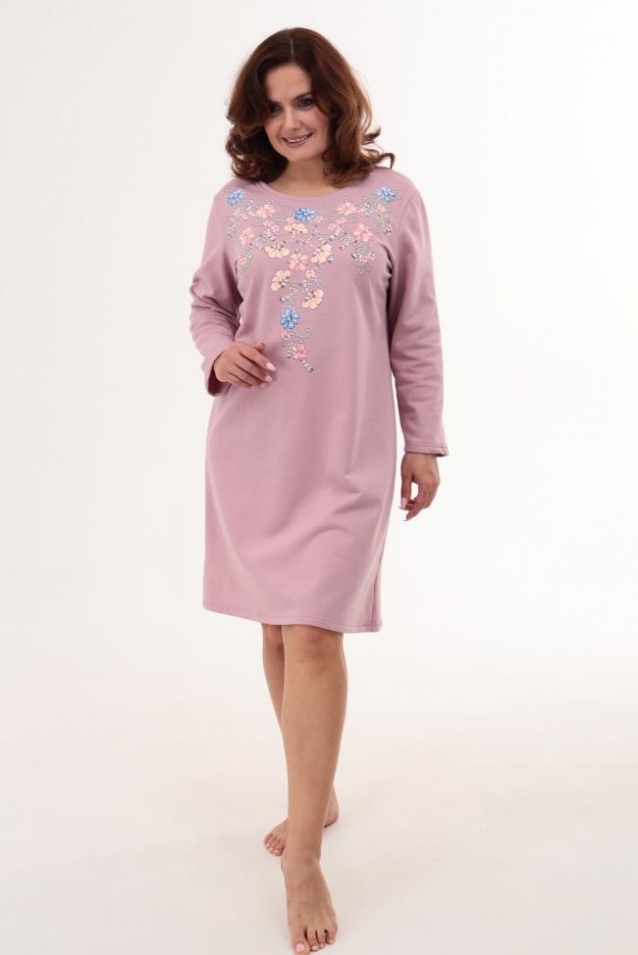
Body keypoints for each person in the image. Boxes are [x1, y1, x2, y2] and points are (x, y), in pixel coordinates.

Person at [188, 25, 449, 954]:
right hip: (254, 447)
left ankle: (302, 854)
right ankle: (318, 792)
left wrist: (425, 439)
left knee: (313, 632)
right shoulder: (237, 204)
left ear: (337, 100)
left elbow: (415, 324)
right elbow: (207, 302)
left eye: (305, 100)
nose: (291, 121)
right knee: (276, 629)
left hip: (348, 452)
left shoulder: (391, 201)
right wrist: (220, 351)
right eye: (273, 107)